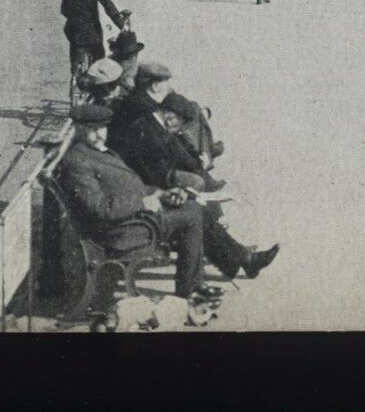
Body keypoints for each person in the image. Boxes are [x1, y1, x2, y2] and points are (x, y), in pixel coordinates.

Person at [59, 104, 279, 305]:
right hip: (120, 230)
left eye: (103, 128)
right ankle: (194, 285)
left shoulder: (95, 151)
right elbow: (99, 208)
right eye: (92, 129)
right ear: (78, 129)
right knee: (193, 214)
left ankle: (221, 270)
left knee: (193, 205)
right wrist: (144, 201)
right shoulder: (78, 163)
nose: (99, 135)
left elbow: (129, 186)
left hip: (132, 216)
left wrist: (162, 194)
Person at [109, 71, 224, 194]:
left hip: (155, 169)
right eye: (181, 123)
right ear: (170, 116)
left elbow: (175, 149)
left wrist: (195, 163)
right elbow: (158, 170)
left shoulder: (153, 122)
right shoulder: (149, 131)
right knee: (196, 181)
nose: (180, 128)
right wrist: (193, 168)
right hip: (147, 178)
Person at [59, 0, 129, 93]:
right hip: (92, 32)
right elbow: (109, 7)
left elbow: (64, 10)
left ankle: (75, 76)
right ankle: (98, 90)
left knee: (75, 54)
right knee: (98, 60)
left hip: (74, 31)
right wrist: (120, 25)